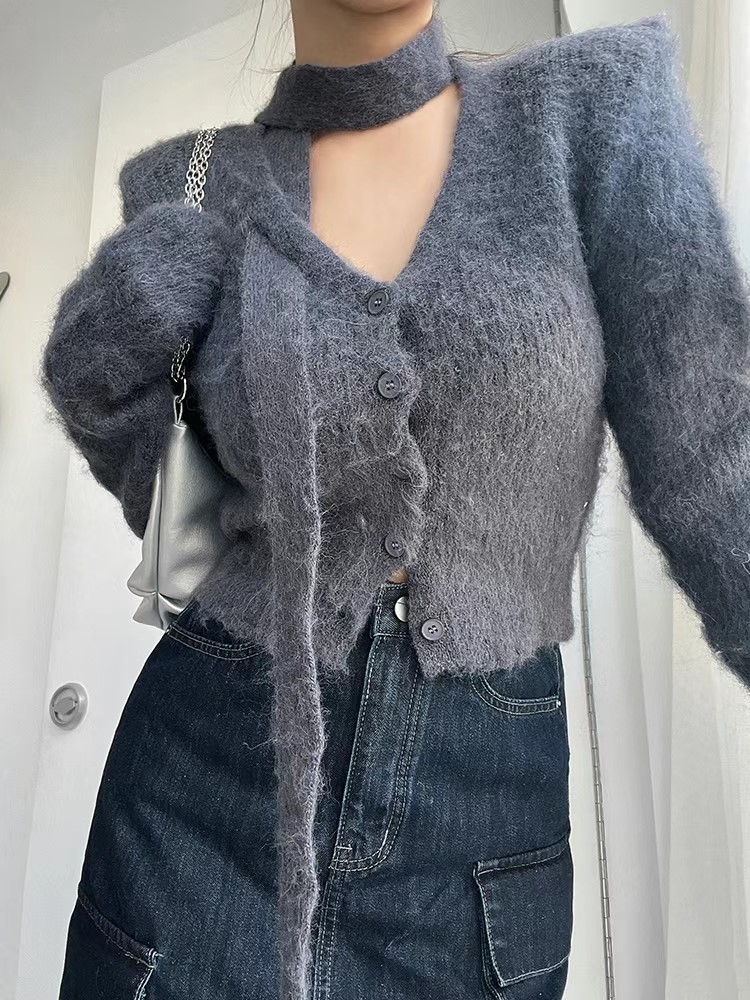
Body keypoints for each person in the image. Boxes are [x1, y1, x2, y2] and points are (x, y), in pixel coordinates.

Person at [39, 2, 750, 999]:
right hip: (200, 790)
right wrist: (108, 383)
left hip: (482, 834)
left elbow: (714, 449)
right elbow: (153, 468)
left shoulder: (592, 114)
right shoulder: (187, 185)